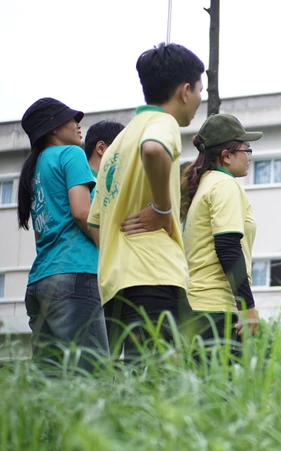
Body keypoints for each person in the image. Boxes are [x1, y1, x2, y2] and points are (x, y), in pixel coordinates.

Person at [88, 42, 205, 362]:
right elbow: (154, 150)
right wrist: (163, 209)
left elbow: (94, 221)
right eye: (199, 90)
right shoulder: (161, 124)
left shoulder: (117, 143)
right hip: (153, 275)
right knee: (159, 382)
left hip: (114, 282)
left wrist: (120, 254)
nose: (199, 100)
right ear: (184, 91)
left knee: (130, 385)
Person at [17, 98, 109, 372]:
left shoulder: (33, 171)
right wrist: (107, 251)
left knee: (54, 385)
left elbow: (39, 235)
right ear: (52, 129)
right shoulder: (72, 154)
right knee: (94, 376)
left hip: (40, 283)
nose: (78, 124)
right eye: (71, 119)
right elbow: (82, 211)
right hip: (75, 277)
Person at [182, 114, 262, 354]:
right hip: (217, 310)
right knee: (224, 390)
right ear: (226, 156)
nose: (249, 156)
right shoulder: (224, 185)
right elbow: (227, 247)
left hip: (195, 307)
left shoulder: (201, 184)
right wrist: (247, 306)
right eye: (246, 150)